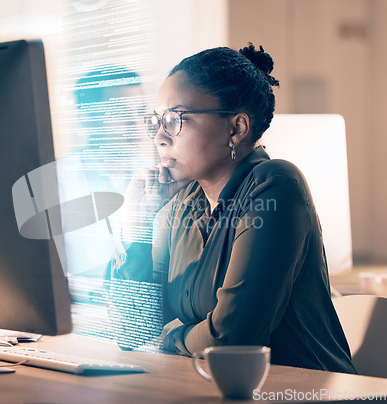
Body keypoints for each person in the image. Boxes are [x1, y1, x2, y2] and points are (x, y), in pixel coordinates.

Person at [107, 43, 357, 373]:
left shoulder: (276, 184)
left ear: (236, 128)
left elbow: (231, 341)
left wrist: (168, 338)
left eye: (176, 119)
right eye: (156, 121)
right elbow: (131, 329)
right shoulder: (184, 203)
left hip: (305, 392)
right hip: (218, 390)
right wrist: (136, 227)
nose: (159, 138)